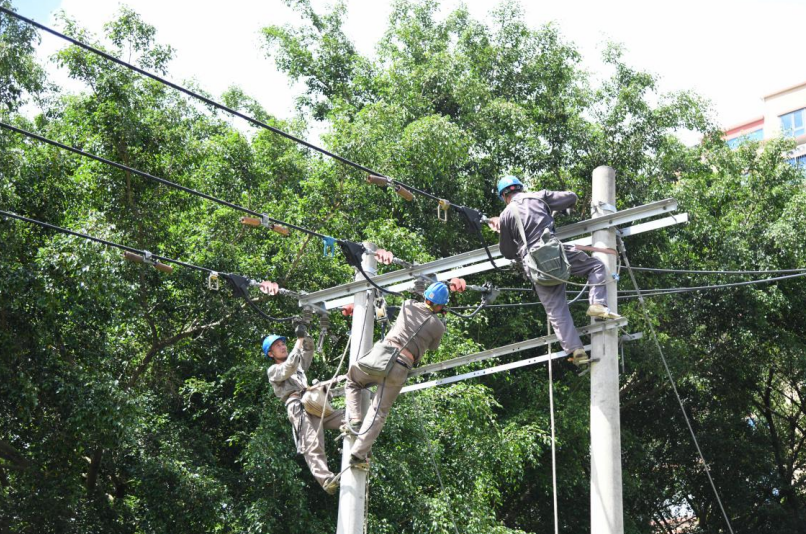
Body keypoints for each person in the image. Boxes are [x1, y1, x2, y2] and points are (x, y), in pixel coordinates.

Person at [487, 175, 619, 366]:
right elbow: (571, 197)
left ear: (504, 196)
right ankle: (597, 305)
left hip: (534, 264)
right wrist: (551, 206)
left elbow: (507, 252)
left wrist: (507, 231)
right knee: (596, 266)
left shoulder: (506, 215)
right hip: (556, 253)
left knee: (556, 310)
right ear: (520, 188)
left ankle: (576, 351)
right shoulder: (539, 196)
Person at [343, 282, 449, 471]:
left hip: (382, 355)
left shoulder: (407, 304)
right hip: (401, 366)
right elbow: (433, 347)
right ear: (441, 306)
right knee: (379, 411)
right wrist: (441, 319)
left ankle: (355, 419)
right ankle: (358, 454)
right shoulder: (438, 326)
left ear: (426, 296)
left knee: (353, 380)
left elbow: (415, 306)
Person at [264, 323, 344, 494]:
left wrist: (304, 332)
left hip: (313, 402)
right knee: (312, 442)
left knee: (349, 417)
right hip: (298, 407)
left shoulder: (298, 366)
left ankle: (360, 444)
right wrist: (299, 340)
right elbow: (289, 366)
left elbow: (308, 351)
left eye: (283, 343)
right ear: (271, 354)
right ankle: (326, 479)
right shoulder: (273, 370)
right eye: (277, 345)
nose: (282, 346)